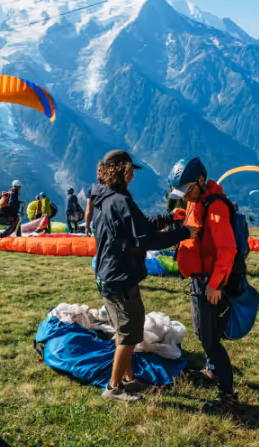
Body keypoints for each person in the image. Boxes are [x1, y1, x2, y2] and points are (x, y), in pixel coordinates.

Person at [92, 150, 194, 403]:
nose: (133, 175)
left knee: (128, 329)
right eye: (130, 170)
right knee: (128, 333)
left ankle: (128, 379)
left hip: (110, 275)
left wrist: (167, 218)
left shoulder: (106, 197)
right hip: (119, 277)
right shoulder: (119, 200)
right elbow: (146, 239)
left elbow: (139, 226)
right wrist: (183, 233)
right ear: (122, 169)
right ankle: (113, 388)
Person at [169, 157, 240, 414]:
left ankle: (228, 395)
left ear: (201, 181)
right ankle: (211, 371)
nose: (185, 196)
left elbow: (227, 249)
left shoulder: (216, 206)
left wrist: (215, 284)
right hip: (198, 281)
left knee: (211, 341)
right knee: (201, 334)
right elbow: (195, 227)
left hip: (210, 284)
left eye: (188, 189)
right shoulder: (194, 201)